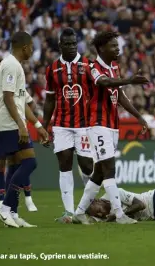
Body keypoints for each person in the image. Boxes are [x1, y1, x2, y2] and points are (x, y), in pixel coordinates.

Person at [72, 31, 149, 225]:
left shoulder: (114, 66)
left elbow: (120, 95)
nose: (118, 48)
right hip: (97, 125)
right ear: (101, 48)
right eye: (113, 45)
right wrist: (131, 80)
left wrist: (139, 116)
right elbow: (104, 82)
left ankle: (79, 213)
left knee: (98, 173)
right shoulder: (92, 66)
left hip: (112, 125)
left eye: (117, 45)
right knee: (109, 169)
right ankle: (119, 214)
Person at [0, 32, 49, 228]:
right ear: (24, 47)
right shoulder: (10, 65)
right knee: (30, 162)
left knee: (16, 165)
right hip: (9, 123)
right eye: (31, 46)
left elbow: (21, 102)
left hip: (11, 121)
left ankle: (12, 214)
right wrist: (22, 125)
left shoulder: (17, 67)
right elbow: (8, 98)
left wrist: (38, 126)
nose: (33, 50)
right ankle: (5, 209)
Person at [43, 28, 95, 223]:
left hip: (84, 125)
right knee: (64, 164)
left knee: (86, 165)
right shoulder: (52, 69)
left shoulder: (88, 65)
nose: (72, 47)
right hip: (62, 124)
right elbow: (49, 100)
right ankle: (69, 212)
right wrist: (44, 127)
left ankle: (89, 205)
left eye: (74, 43)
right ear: (60, 46)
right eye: (68, 44)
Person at [0, 59, 38, 211]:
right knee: (0, 167)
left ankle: (28, 198)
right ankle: (1, 204)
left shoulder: (16, 88)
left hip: (15, 130)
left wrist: (26, 119)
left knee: (20, 163)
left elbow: (30, 103)